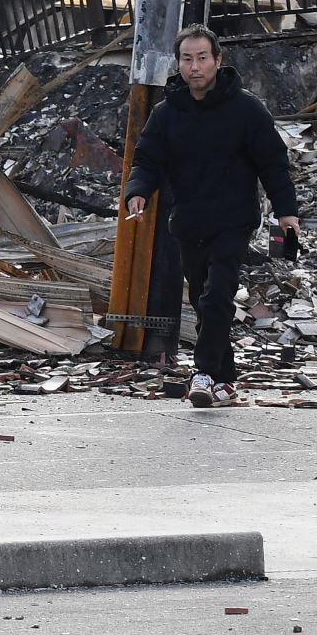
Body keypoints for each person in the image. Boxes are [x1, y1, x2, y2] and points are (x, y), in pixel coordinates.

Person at [123, 24, 299, 409]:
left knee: (218, 294)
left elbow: (273, 163)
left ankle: (202, 372)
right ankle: (224, 381)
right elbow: (147, 159)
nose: (195, 66)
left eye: (203, 58)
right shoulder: (167, 114)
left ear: (218, 61)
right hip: (189, 223)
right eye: (187, 59)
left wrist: (287, 211)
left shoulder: (247, 109)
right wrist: (137, 193)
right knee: (205, 302)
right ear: (179, 64)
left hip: (234, 222)